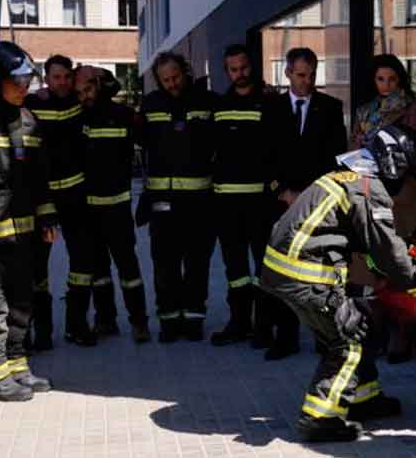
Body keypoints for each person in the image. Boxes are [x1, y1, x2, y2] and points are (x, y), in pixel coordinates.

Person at [262, 124, 416, 442]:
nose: (404, 185)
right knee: (346, 340)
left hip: (289, 269)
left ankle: (363, 398)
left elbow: (368, 242)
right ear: (394, 164)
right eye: (406, 177)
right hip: (304, 274)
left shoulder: (352, 175)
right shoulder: (369, 187)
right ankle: (319, 419)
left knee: (360, 322)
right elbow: (390, 255)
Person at [0, 41, 55, 401]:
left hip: (25, 233)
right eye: (17, 82)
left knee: (23, 300)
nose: (25, 89)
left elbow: (40, 177)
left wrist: (48, 216)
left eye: (28, 82)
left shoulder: (29, 121)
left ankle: (17, 363)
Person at [262, 47, 347, 360]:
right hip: (281, 202)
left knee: (321, 273)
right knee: (284, 271)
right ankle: (285, 337)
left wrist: (315, 196)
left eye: (312, 75)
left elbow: (336, 159)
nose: (307, 81)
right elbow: (264, 157)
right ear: (287, 73)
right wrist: (282, 191)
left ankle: (325, 338)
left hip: (318, 203)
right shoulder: (271, 109)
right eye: (300, 75)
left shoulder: (330, 107)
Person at [134, 51, 216, 343]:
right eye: (165, 80)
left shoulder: (207, 101)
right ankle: (168, 321)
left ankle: (193, 320)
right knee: (165, 265)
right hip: (162, 202)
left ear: (185, 71)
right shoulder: (151, 104)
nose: (172, 83)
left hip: (199, 203)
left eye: (175, 77)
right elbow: (137, 139)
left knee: (197, 264)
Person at [349, 54, 416, 363]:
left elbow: (408, 144)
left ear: (401, 79)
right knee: (369, 263)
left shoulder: (411, 106)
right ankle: (377, 327)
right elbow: (353, 145)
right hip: (370, 188)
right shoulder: (364, 110)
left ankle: (403, 334)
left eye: (392, 80)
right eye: (381, 79)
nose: (386, 86)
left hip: (402, 193)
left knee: (400, 260)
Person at [24, 54, 99, 348]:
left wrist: (86, 73)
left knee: (82, 264)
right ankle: (41, 332)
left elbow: (112, 85)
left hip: (76, 197)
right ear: (46, 79)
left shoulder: (78, 101)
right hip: (42, 199)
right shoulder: (33, 104)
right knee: (37, 269)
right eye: (57, 77)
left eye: (68, 77)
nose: (63, 82)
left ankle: (77, 326)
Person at [75, 65, 150, 343]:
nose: (85, 95)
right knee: (99, 273)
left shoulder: (124, 115)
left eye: (89, 88)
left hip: (118, 209)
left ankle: (139, 322)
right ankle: (105, 320)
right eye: (80, 91)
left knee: (129, 270)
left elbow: (150, 141)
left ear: (100, 84)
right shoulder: (76, 118)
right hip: (89, 211)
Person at [209, 45, 276, 347]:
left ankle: (263, 327)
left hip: (261, 204)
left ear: (253, 65)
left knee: (264, 269)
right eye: (234, 69)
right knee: (235, 269)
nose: (240, 74)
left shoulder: (272, 103)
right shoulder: (219, 106)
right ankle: (239, 323)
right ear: (227, 72)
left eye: (244, 67)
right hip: (226, 205)